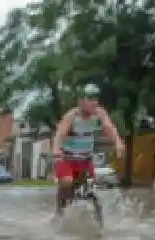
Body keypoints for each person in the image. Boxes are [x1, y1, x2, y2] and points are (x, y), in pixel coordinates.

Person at [49, 83, 125, 213]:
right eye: (89, 99)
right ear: (80, 101)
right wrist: (56, 151)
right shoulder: (72, 116)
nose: (93, 102)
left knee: (91, 189)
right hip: (66, 160)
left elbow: (109, 127)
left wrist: (118, 142)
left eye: (96, 99)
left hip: (85, 160)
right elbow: (59, 135)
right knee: (67, 182)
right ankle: (61, 211)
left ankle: (97, 222)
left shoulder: (99, 114)